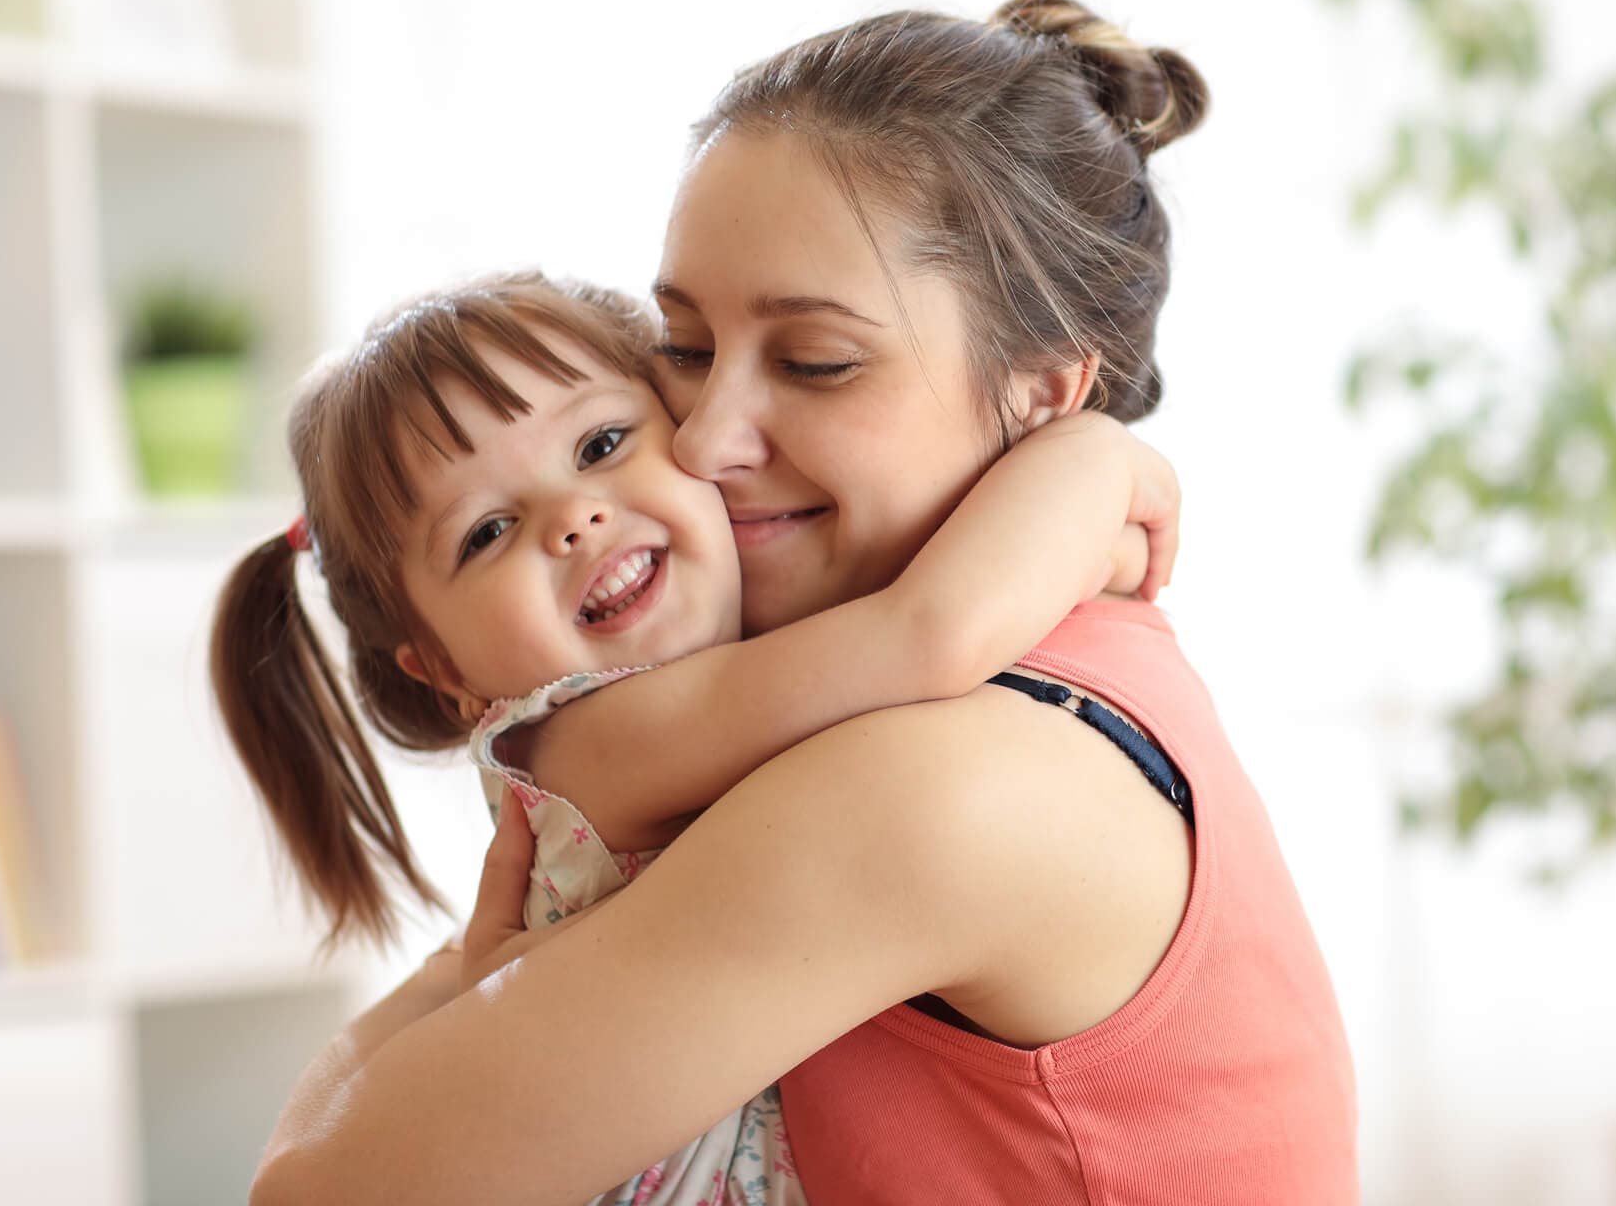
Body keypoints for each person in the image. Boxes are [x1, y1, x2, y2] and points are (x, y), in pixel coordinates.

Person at [248, 0, 1358, 1205]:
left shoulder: (931, 783)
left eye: (815, 360)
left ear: (1045, 390)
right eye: (681, 347)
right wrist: (1088, 465)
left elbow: (316, 1189)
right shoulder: (1043, 662)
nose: (709, 436)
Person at [211, 272, 1178, 1204]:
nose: (574, 518)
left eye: (599, 444)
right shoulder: (589, 736)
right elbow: (927, 633)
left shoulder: (756, 678)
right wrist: (1092, 464)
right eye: (488, 532)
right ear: (446, 671)